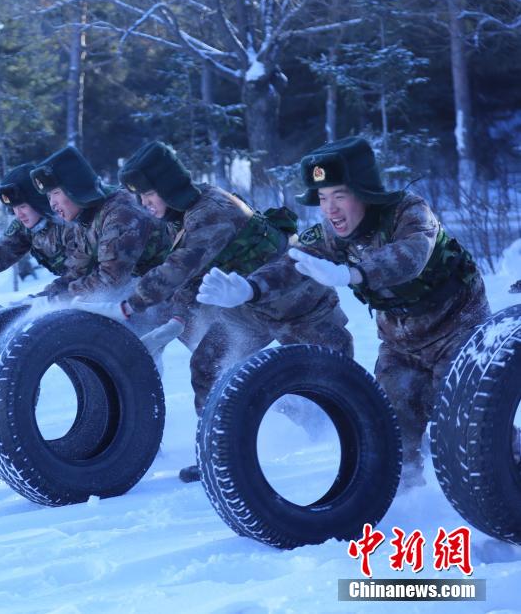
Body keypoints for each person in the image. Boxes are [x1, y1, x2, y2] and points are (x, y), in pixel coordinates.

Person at [73, 142, 354, 483]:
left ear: (168, 188)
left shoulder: (212, 211)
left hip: (301, 305)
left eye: (149, 196)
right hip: (252, 311)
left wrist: (129, 304)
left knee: (341, 388)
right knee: (209, 366)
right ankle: (218, 454)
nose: (145, 205)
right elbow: (192, 279)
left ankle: (376, 440)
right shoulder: (187, 215)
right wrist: (177, 316)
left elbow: (178, 268)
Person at [242, 136, 490, 488]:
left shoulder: (409, 211)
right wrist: (250, 287)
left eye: (339, 195)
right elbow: (294, 262)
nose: (330, 210)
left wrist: (353, 273)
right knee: (390, 424)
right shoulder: (332, 233)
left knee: (468, 424)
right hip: (399, 340)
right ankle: (407, 498)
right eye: (323, 198)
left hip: (456, 326)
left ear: (364, 192)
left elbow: (411, 256)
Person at [29, 145, 174, 304]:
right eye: (49, 197)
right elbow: (77, 271)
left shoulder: (121, 214)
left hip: (173, 298)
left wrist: (59, 299)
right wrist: (41, 298)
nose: (52, 204)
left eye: (56, 193)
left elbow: (110, 280)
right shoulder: (86, 218)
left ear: (74, 188)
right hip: (146, 294)